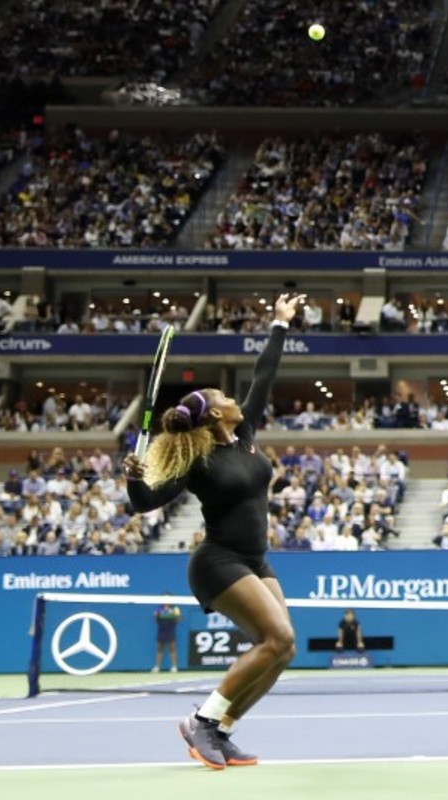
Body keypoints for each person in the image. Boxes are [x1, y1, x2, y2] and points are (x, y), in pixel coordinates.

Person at [126, 293, 304, 771]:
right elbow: (143, 503)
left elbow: (264, 375)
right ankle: (202, 721)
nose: (233, 399)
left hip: (255, 560)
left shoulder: (245, 438)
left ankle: (221, 730)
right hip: (218, 562)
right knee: (275, 636)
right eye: (225, 398)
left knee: (283, 648)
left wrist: (280, 324)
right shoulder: (197, 460)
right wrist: (133, 477)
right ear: (214, 414)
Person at [153, 595, 182, 673]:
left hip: (170, 630)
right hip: (161, 630)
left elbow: (178, 620)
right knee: (159, 649)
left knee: (172, 648)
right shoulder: (159, 609)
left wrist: (178, 615)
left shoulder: (175, 609)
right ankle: (157, 667)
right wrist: (156, 615)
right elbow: (156, 620)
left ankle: (174, 667)